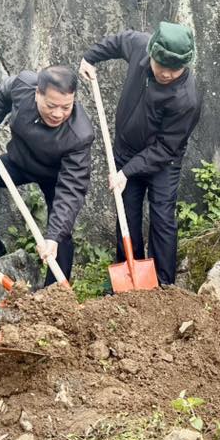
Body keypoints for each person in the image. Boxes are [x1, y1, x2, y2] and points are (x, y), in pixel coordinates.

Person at [78, 22, 202, 285]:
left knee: (162, 217)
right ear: (152, 53)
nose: (166, 74)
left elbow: (166, 148)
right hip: (125, 150)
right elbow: (118, 40)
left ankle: (163, 282)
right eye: (161, 66)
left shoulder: (187, 99)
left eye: (174, 69)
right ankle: (129, 277)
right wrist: (90, 57)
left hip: (163, 161)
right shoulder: (139, 46)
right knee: (127, 213)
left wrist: (127, 172)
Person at [0, 65, 94, 286]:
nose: (58, 113)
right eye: (51, 105)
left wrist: (52, 236)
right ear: (37, 93)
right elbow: (3, 93)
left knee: (60, 233)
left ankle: (56, 290)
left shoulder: (80, 135)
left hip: (56, 177)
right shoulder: (23, 85)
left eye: (66, 107)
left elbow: (72, 190)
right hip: (19, 162)